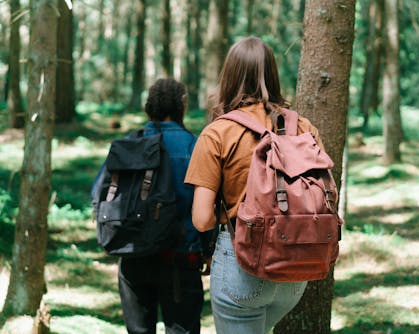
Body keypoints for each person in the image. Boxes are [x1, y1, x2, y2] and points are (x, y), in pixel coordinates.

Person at [184, 36, 326, 334]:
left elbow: (201, 219)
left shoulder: (217, 133)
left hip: (242, 264)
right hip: (296, 268)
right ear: (273, 74)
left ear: (229, 76)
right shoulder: (304, 127)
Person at [117, 78, 211, 334]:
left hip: (134, 256)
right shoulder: (195, 146)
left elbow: (100, 192)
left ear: (150, 106)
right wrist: (208, 249)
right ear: (182, 105)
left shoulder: (131, 143)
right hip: (181, 258)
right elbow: (208, 203)